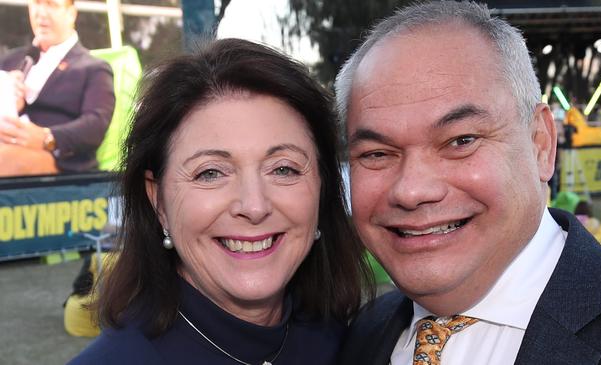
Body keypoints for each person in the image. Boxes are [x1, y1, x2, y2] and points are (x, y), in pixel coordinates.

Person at [334, 1, 601, 364]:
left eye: (461, 140)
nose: (412, 190)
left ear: (540, 144)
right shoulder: (360, 334)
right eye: (376, 154)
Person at [68, 38, 373, 364]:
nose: (254, 206)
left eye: (283, 168)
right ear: (158, 201)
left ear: (322, 188)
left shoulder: (350, 343)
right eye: (211, 173)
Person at [0, 0, 115, 176]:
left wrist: (47, 137)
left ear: (71, 14)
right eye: (36, 3)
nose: (41, 13)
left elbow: (96, 124)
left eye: (51, 5)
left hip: (61, 163)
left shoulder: (93, 68)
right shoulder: (9, 61)